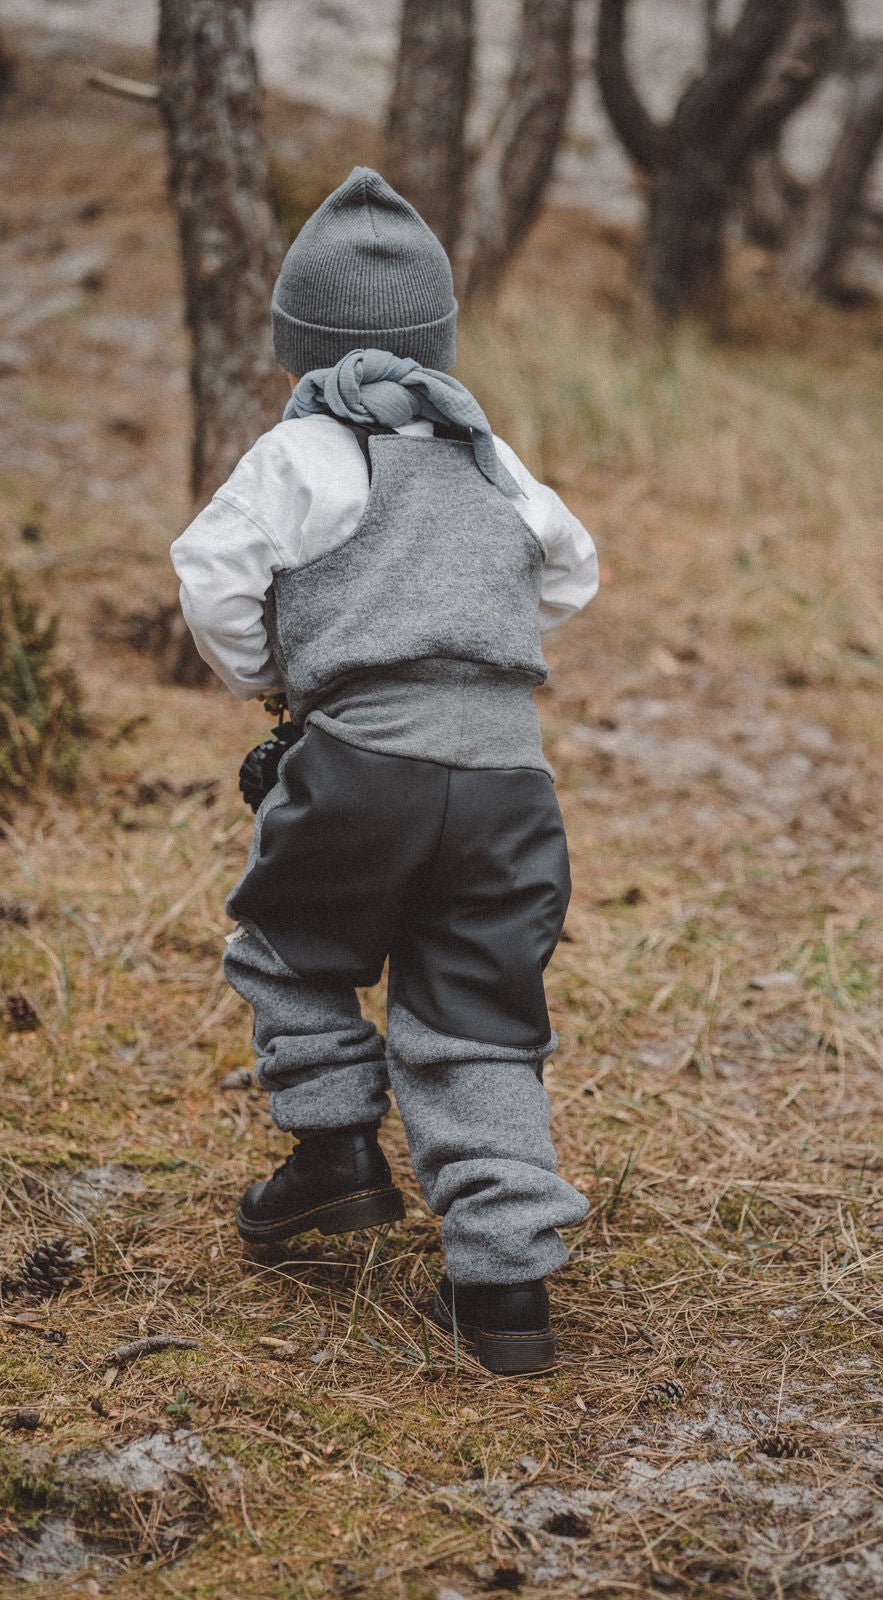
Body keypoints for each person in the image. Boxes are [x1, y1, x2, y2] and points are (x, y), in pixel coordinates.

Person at [170, 168, 598, 1375]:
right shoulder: (487, 454)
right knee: (478, 1019)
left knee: (288, 947)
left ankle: (333, 1153)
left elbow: (210, 571)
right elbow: (568, 570)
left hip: (359, 759)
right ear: (435, 339)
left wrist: (277, 671)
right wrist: (472, 645)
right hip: (511, 782)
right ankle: (507, 1292)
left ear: (297, 340)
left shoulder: (300, 449)